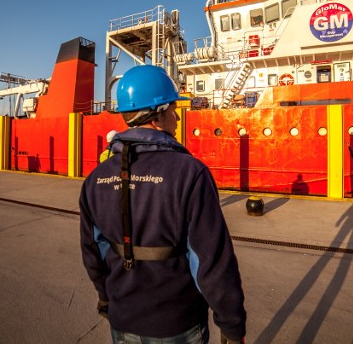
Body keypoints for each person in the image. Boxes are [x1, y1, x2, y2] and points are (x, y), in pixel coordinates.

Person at [79, 65, 246, 344]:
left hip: (123, 320)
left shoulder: (96, 178)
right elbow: (211, 260)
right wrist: (231, 325)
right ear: (157, 116)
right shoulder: (190, 173)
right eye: (173, 110)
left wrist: (107, 298)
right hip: (178, 323)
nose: (177, 118)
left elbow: (94, 251)